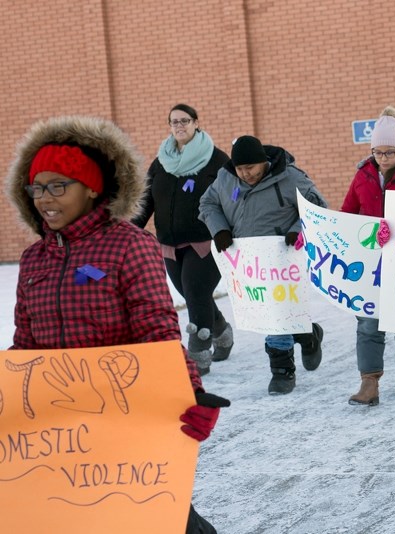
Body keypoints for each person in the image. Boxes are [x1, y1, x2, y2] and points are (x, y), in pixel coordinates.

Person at [6, 115, 229, 533]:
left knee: (158, 518)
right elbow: (25, 347)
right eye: (37, 187)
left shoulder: (128, 245)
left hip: (126, 420)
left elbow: (157, 331)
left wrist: (189, 393)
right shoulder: (35, 258)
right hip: (59, 431)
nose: (43, 198)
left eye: (58, 186)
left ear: (92, 189)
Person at [198, 135, 327, 395]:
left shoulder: (290, 177)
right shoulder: (226, 179)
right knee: (270, 311)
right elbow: (207, 203)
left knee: (275, 314)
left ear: (263, 163)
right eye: (240, 169)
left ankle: (281, 371)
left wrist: (297, 229)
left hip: (283, 257)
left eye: (251, 168)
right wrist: (219, 229)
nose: (245, 174)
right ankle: (307, 334)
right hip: (248, 261)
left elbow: (317, 207)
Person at [133, 104, 233, 375]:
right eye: (174, 122)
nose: (179, 126)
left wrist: (232, 231)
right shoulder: (161, 161)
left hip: (206, 242)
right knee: (191, 294)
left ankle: (198, 355)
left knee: (196, 290)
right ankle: (222, 332)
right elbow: (146, 201)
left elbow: (234, 199)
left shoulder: (216, 160)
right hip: (169, 243)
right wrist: (130, 229)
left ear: (196, 123)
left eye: (184, 121)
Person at [340, 107, 395, 406]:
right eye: (377, 152)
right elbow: (348, 213)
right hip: (370, 261)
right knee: (368, 319)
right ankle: (369, 381)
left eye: (389, 152)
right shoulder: (363, 175)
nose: (383, 158)